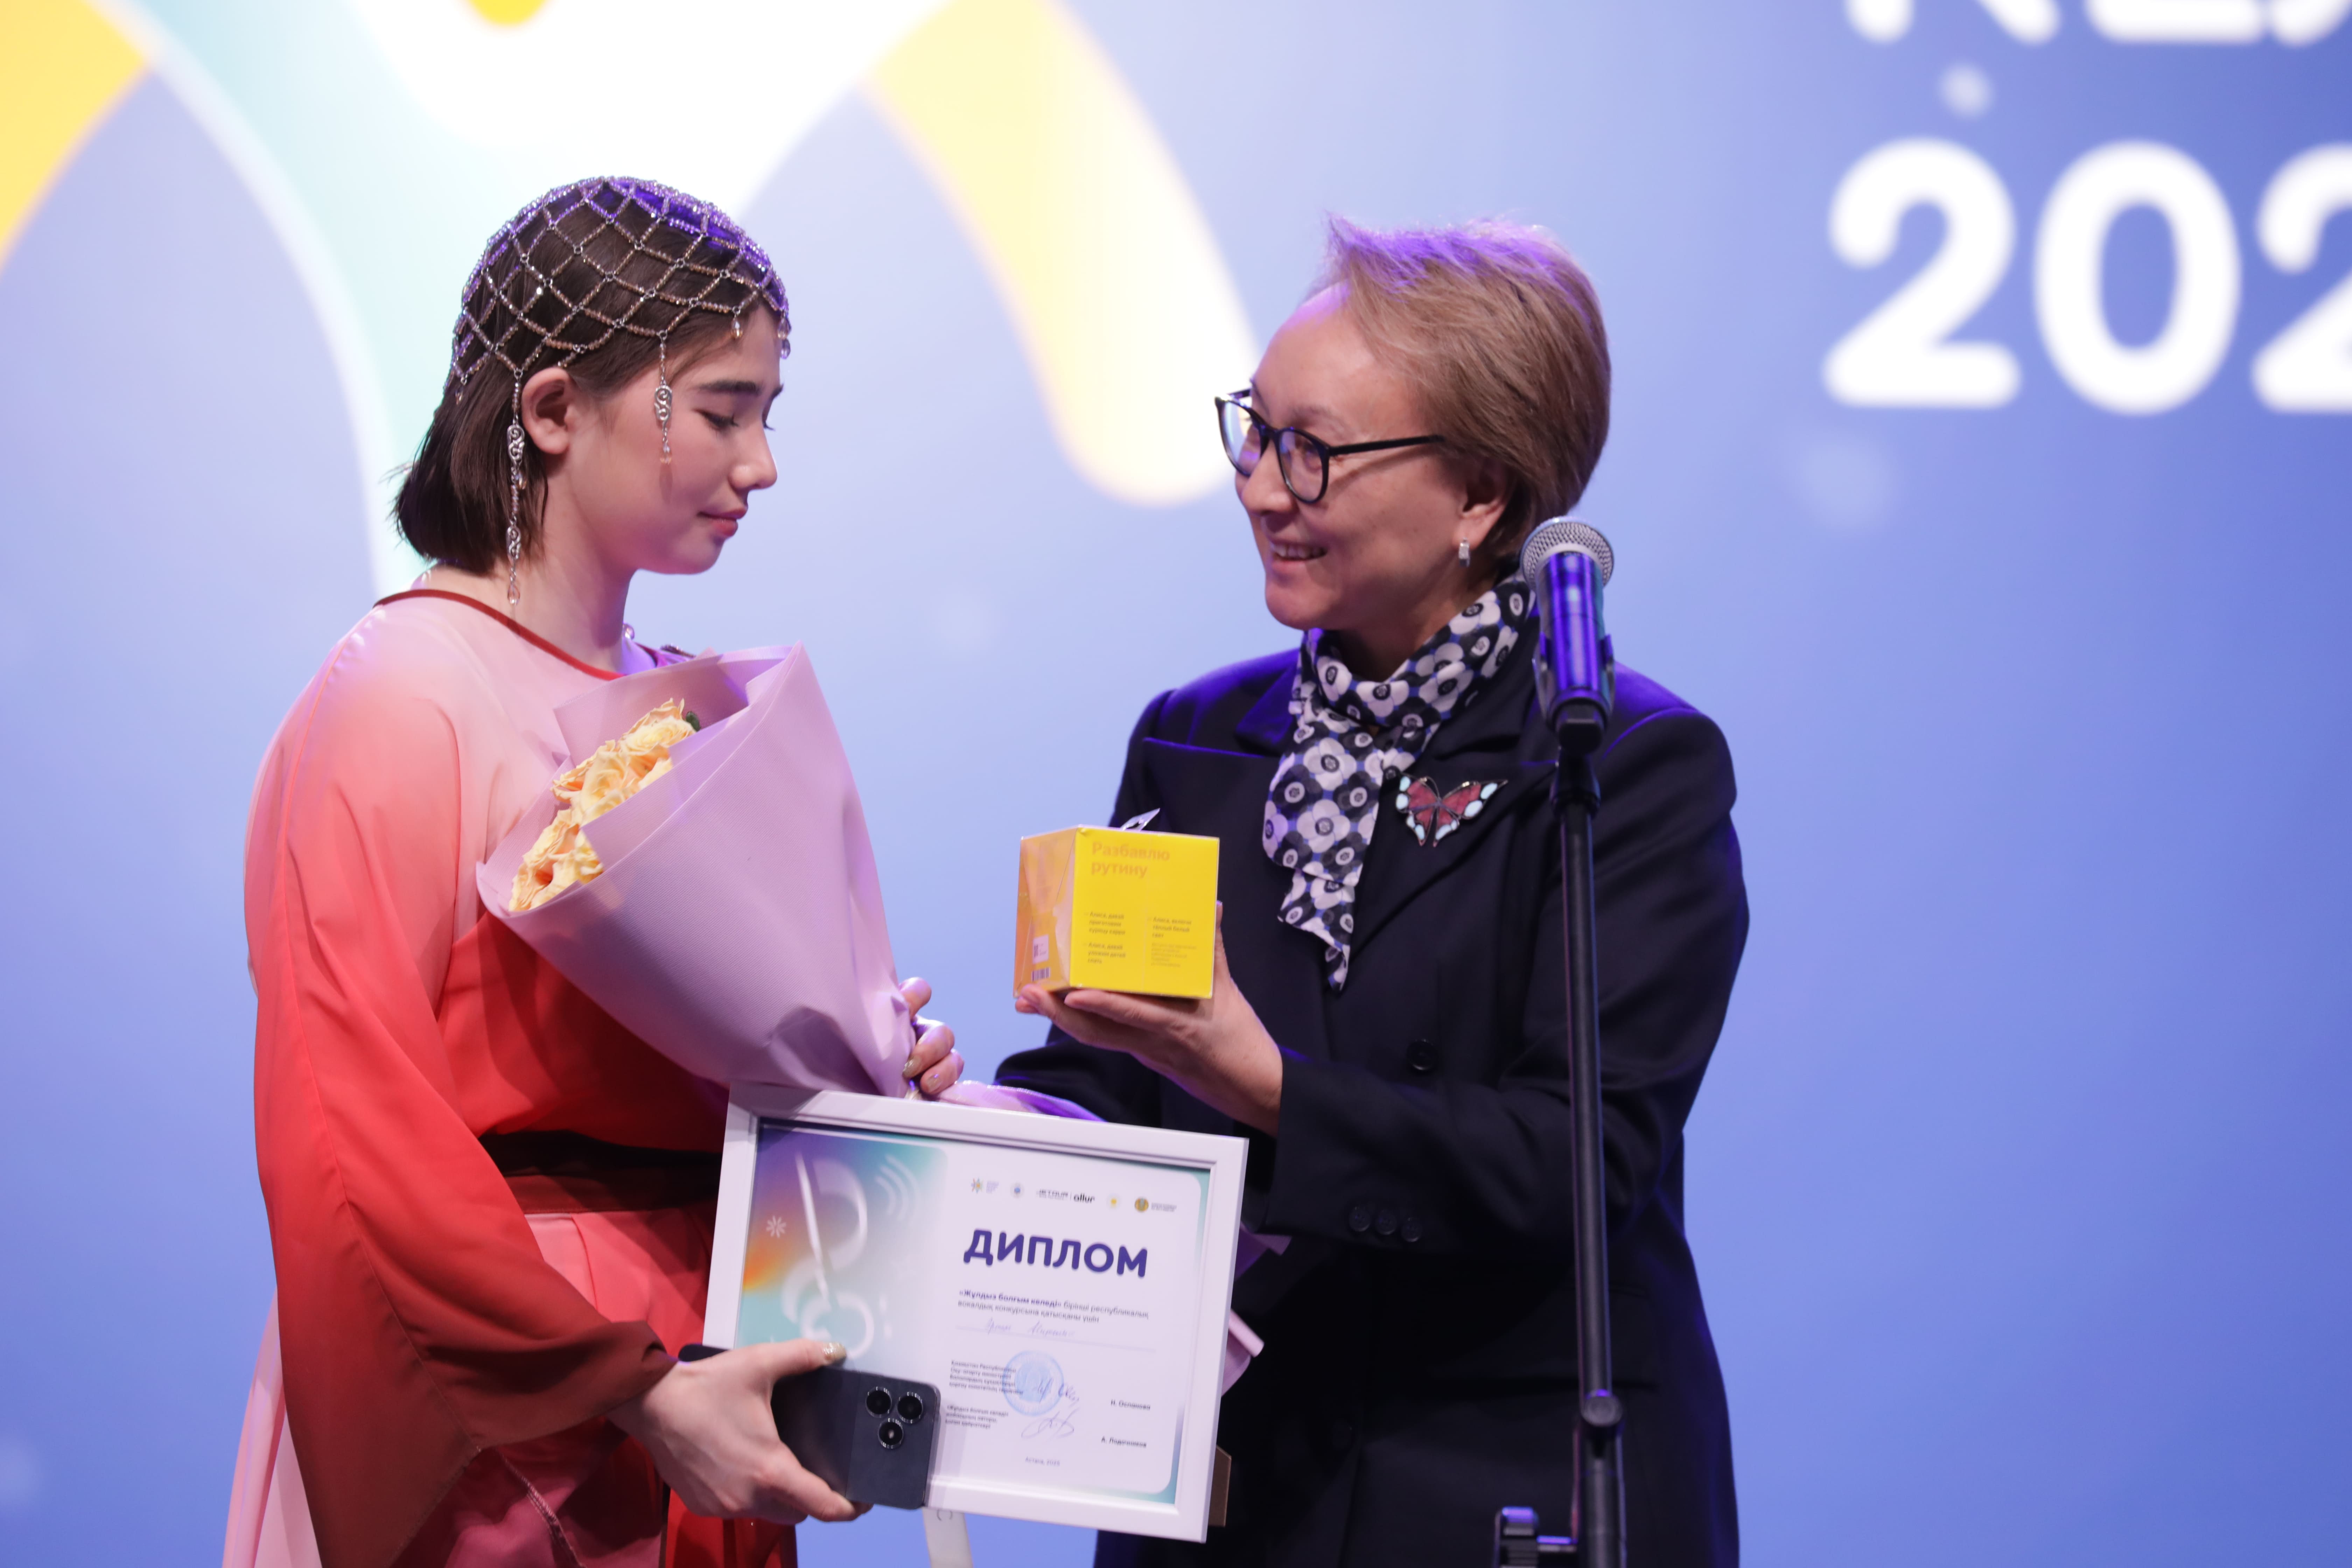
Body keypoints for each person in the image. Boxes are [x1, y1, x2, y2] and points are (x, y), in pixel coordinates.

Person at [224, 178, 966, 1568]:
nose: (762, 463)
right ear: (556, 409)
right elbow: (352, 1126)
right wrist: (625, 1384)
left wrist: (861, 1075)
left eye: (770, 414)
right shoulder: (400, 695)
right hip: (529, 1399)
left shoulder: (677, 699)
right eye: (724, 411)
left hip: (713, 1367)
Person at [999, 218, 1748, 1567]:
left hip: (1498, 1486)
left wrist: (1266, 1085)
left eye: (1314, 451)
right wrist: (972, 1121)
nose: (1259, 487)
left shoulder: (1619, 762)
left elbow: (1570, 1167)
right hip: (1234, 1489)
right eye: (1255, 431)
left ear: (1483, 498)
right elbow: (1114, 1078)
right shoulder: (1195, 735)